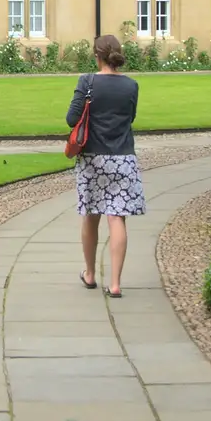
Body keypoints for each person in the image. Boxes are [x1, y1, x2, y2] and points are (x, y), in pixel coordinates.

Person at [65, 33, 145, 297]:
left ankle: (89, 274)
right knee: (116, 217)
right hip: (123, 157)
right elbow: (130, 117)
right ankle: (115, 283)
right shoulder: (131, 85)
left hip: (93, 157)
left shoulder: (87, 81)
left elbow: (71, 118)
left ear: (96, 56)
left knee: (91, 215)